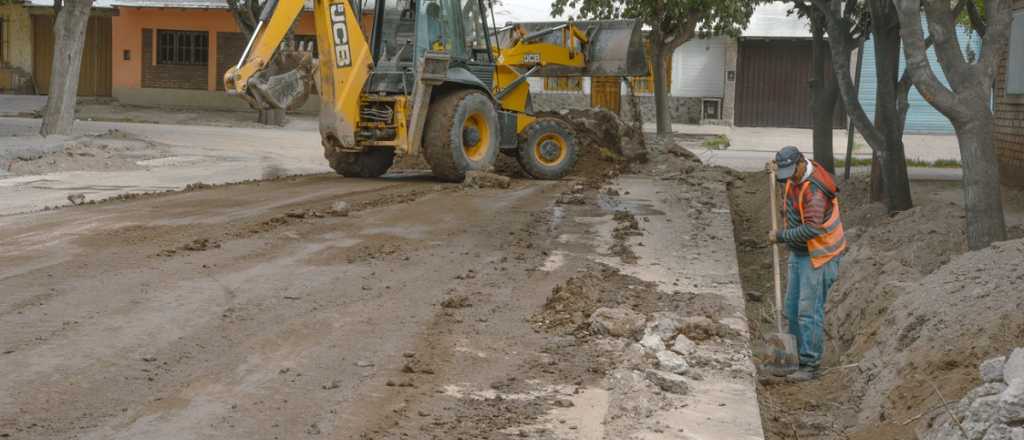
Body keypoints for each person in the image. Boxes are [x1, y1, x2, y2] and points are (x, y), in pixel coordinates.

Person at [769, 146, 847, 382]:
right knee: (792, 309)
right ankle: (792, 357)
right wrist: (774, 171)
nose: (789, 178)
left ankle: (810, 364)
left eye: (791, 172)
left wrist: (781, 236)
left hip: (819, 256)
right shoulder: (796, 174)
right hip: (801, 253)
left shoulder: (814, 192)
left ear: (801, 163)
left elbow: (812, 229)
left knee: (808, 312)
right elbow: (786, 181)